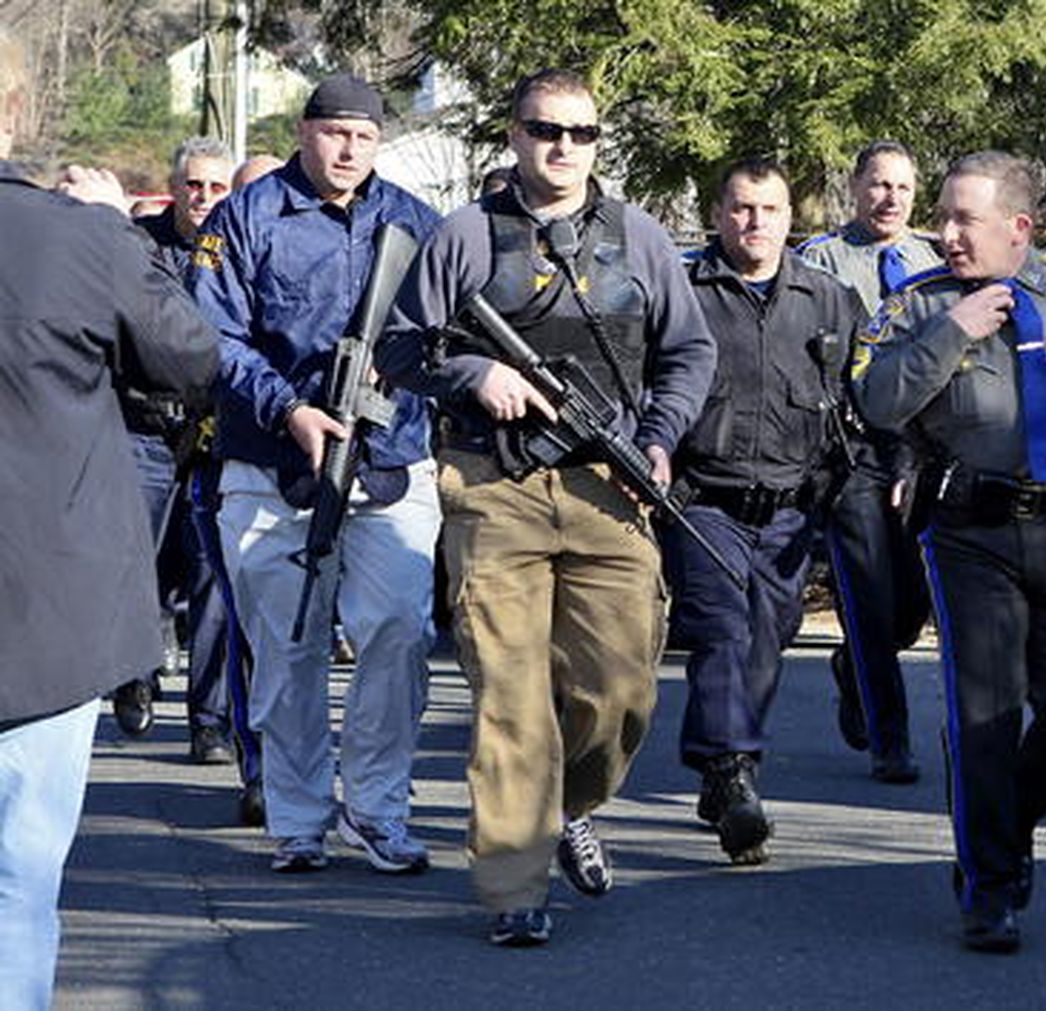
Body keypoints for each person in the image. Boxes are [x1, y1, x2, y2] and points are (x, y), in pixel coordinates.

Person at [376, 68, 714, 947]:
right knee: (511, 697)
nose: (563, 147)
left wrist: (659, 438)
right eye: (544, 129)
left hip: (611, 487)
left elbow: (689, 352)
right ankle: (513, 887)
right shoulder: (465, 235)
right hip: (496, 489)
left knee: (620, 691)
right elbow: (400, 348)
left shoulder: (638, 237)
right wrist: (474, 372)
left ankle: (566, 806)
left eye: (581, 132)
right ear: (515, 134)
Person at [855, 151, 1046, 952]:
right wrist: (950, 333)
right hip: (971, 531)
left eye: (965, 219)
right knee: (986, 714)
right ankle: (989, 886)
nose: (947, 233)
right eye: (943, 217)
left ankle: (1009, 819)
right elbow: (876, 400)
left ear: (1018, 227)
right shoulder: (920, 304)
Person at [0, 26, 220, 1006]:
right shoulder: (81, 240)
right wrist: (118, 234)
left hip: (52, 596)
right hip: (52, 600)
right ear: (15, 115)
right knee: (20, 875)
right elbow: (192, 358)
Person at [190, 73, 443, 875]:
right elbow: (213, 335)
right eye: (335, 133)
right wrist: (288, 409)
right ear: (304, 132)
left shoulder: (417, 222)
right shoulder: (246, 217)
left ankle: (377, 808)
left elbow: (452, 332)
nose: (349, 150)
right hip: (273, 467)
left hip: (389, 462)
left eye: (365, 137)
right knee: (288, 647)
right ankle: (299, 817)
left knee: (398, 632)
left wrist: (407, 371)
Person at [672, 158, 863, 864]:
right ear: (717, 215)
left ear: (791, 217)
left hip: (791, 507)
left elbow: (864, 395)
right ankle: (732, 772)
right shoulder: (682, 292)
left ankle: (723, 768)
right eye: (742, 208)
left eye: (770, 209)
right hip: (704, 499)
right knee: (721, 629)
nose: (756, 222)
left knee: (765, 638)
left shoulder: (828, 299)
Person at [798, 141, 943, 784]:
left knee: (911, 605)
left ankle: (851, 665)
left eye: (903, 187)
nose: (891, 198)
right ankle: (892, 741)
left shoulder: (933, 261)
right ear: (855, 187)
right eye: (880, 185)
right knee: (867, 596)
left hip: (919, 452)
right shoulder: (819, 261)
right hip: (850, 453)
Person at [110, 137, 239, 767]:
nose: (204, 197)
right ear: (173, 187)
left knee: (213, 576)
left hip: (214, 434)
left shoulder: (237, 248)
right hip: (146, 428)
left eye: (217, 187)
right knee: (138, 562)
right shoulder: (139, 246)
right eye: (193, 185)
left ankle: (210, 722)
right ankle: (133, 673)